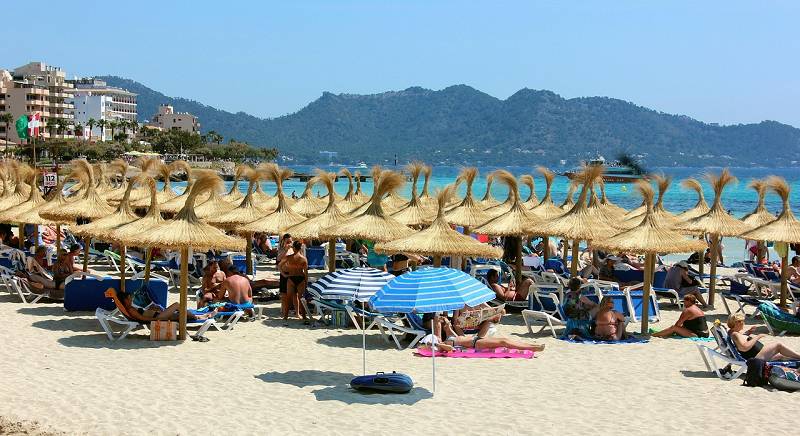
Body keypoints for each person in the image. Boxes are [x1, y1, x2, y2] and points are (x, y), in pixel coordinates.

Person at [426, 315, 544, 352]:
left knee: (504, 339)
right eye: (446, 322)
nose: (447, 321)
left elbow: (453, 327)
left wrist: (447, 324)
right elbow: (450, 348)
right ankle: (533, 348)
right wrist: (438, 345)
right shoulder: (446, 340)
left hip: (476, 339)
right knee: (504, 342)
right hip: (475, 343)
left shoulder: (452, 334)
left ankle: (532, 345)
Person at [727, 313, 800, 361]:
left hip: (758, 354)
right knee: (778, 345)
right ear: (737, 323)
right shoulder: (735, 334)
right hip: (756, 358)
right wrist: (758, 336)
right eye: (742, 321)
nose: (744, 323)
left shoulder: (733, 332)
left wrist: (748, 332)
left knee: (781, 356)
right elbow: (744, 347)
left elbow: (742, 341)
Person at [280, 240, 308, 322]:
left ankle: (285, 316)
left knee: (288, 298)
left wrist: (284, 274)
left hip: (291, 278)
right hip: (300, 278)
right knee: (301, 298)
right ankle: (304, 316)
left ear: (294, 248)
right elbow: (306, 272)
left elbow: (280, 266)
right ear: (300, 248)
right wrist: (306, 282)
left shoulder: (289, 257)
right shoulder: (303, 259)